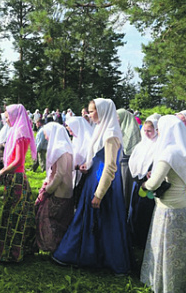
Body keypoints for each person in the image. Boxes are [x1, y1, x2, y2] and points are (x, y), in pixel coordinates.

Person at [53, 98, 131, 275]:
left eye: (92, 111)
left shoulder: (110, 133)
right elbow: (96, 156)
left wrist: (99, 193)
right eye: (89, 110)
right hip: (94, 177)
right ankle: (87, 255)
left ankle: (105, 259)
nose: (89, 114)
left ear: (102, 111)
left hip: (104, 182)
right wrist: (86, 166)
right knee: (88, 218)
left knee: (105, 221)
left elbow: (110, 166)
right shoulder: (101, 129)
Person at [140, 115, 186, 293]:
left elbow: (153, 184)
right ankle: (180, 283)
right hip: (183, 205)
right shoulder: (184, 149)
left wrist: (145, 184)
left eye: (159, 129)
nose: (158, 133)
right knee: (180, 250)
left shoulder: (168, 153)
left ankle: (166, 285)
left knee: (166, 249)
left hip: (167, 209)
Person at [0, 104, 37, 263]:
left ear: (15, 116)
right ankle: (15, 252)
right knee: (15, 214)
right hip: (16, 178)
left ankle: (10, 254)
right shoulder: (17, 131)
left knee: (13, 216)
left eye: (8, 117)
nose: (6, 120)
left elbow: (18, 160)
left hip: (16, 178)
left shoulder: (19, 132)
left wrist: (2, 171)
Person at [35, 122, 74, 252]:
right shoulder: (66, 147)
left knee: (49, 219)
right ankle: (60, 247)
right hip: (66, 189)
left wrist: (48, 189)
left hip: (59, 191)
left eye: (46, 134)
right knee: (62, 220)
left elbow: (60, 173)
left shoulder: (59, 149)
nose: (46, 137)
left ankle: (51, 246)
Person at [127, 116, 159, 249]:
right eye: (145, 130)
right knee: (134, 209)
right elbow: (134, 161)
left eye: (149, 131)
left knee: (144, 213)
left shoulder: (159, 144)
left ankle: (142, 241)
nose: (146, 133)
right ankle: (133, 237)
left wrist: (151, 171)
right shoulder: (141, 145)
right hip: (137, 181)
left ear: (156, 130)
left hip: (149, 184)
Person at [65, 116, 94, 206]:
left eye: (71, 130)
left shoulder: (89, 140)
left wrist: (86, 164)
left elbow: (91, 157)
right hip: (78, 172)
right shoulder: (77, 137)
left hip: (87, 175)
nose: (70, 133)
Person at [117, 108, 141, 210]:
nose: (116, 120)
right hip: (119, 167)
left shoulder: (131, 131)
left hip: (128, 167)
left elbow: (129, 151)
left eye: (117, 117)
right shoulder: (119, 130)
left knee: (125, 192)